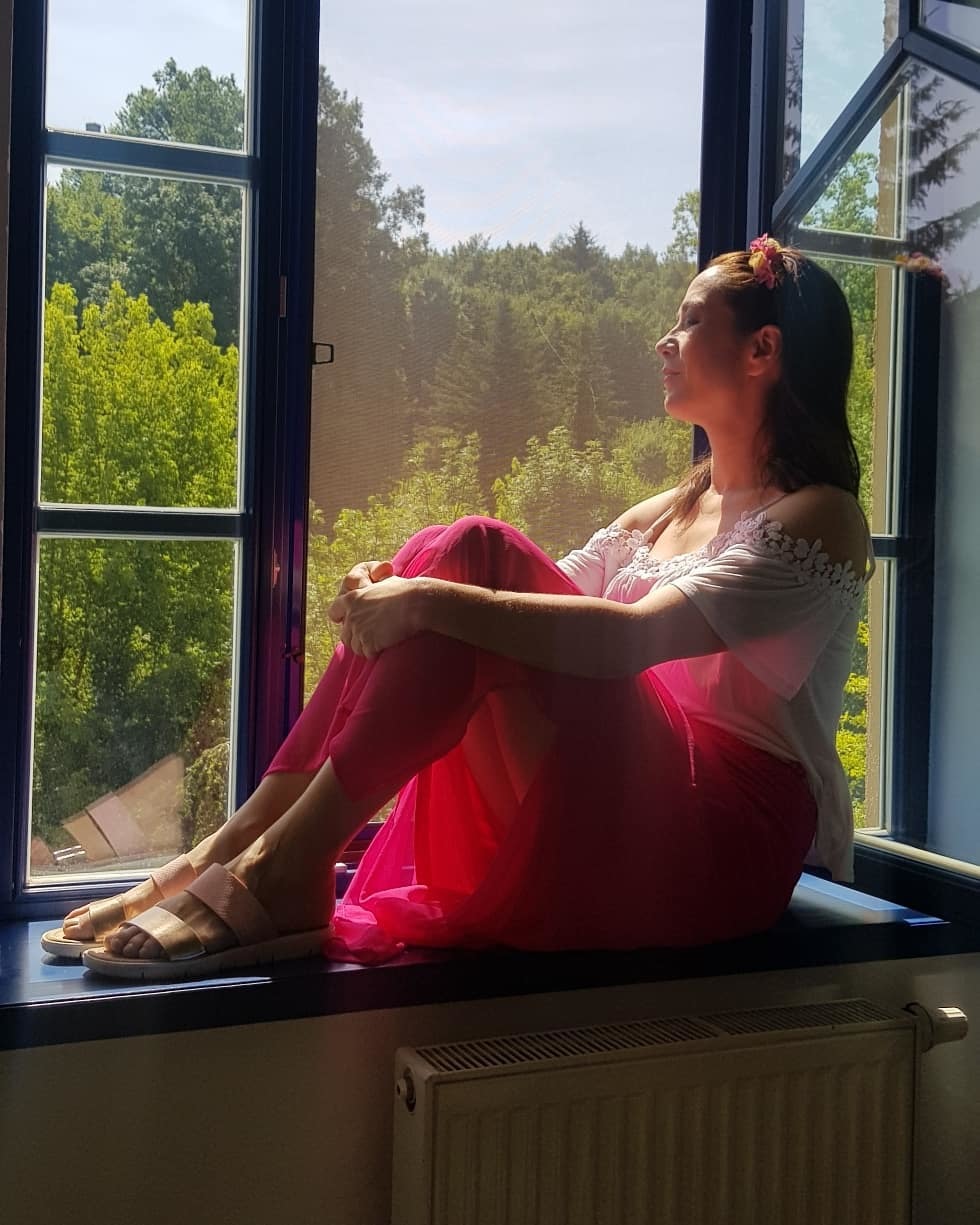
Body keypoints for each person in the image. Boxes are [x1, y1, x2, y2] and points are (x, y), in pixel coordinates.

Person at [44, 236, 873, 980]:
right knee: (445, 553)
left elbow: (633, 640)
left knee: (462, 566)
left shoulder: (822, 517)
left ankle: (280, 864)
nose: (665, 339)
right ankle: (232, 850)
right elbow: (517, 607)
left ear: (763, 349)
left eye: (690, 322)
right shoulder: (667, 509)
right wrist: (403, 581)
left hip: (721, 842)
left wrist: (427, 596)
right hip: (631, 797)